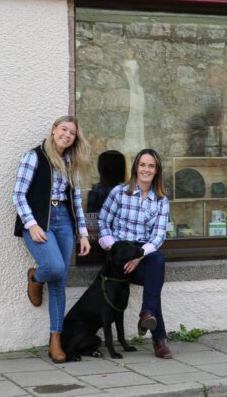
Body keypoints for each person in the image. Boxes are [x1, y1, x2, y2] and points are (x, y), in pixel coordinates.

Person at [12, 115, 91, 363]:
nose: (67, 135)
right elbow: (18, 194)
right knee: (55, 268)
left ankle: (55, 339)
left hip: (64, 221)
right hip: (39, 221)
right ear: (54, 130)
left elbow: (76, 200)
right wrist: (31, 224)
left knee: (60, 279)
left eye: (72, 133)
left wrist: (84, 233)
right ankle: (35, 278)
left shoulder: (71, 163)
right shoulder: (34, 156)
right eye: (63, 129)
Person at [98, 148, 172, 359]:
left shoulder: (161, 200)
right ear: (136, 167)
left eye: (151, 166)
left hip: (142, 254)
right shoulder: (120, 192)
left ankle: (146, 315)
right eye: (142, 165)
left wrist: (138, 257)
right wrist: (114, 248)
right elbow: (103, 220)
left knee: (156, 260)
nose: (146, 169)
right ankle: (158, 337)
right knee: (154, 285)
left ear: (156, 170)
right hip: (119, 254)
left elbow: (158, 237)